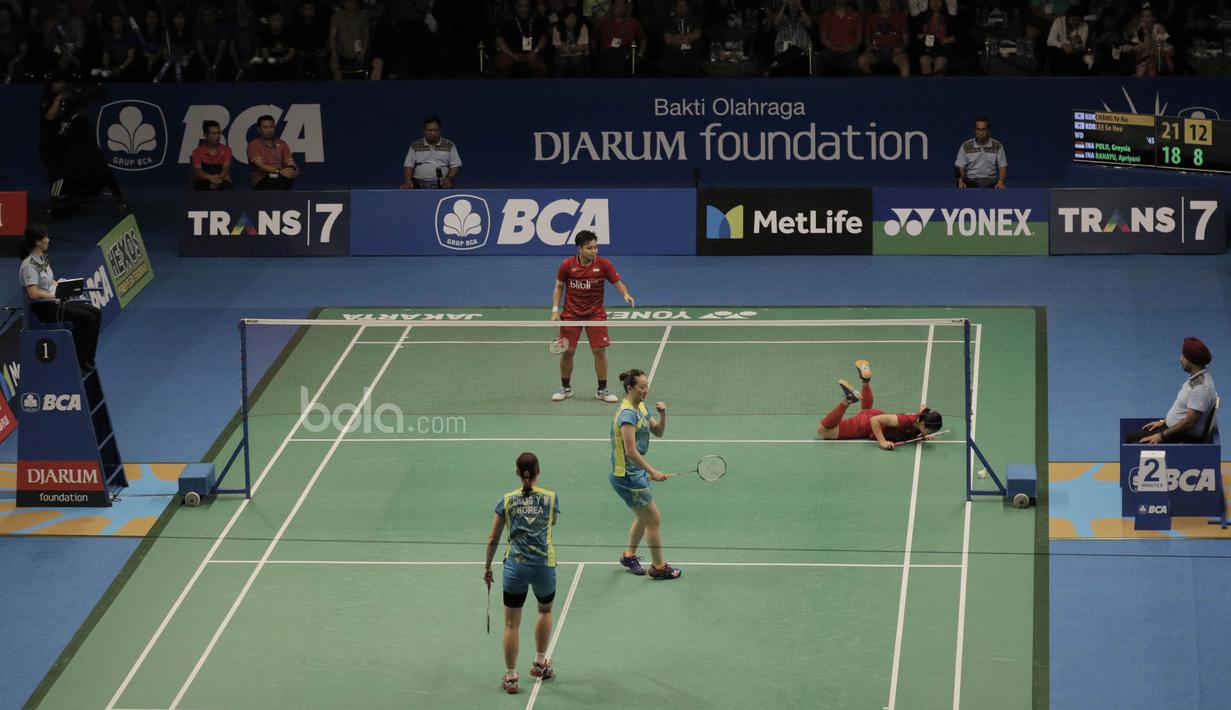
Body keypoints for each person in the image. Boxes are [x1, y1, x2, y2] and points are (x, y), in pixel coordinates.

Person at [483, 452, 560, 694]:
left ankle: (511, 677)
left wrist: (487, 567)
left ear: (518, 472)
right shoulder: (550, 498)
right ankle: (539, 662)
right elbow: (552, 523)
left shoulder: (506, 500)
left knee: (510, 623)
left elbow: (493, 537)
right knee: (545, 609)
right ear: (539, 471)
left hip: (515, 567)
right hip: (543, 566)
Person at [610, 368, 680, 580]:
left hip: (635, 472)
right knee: (653, 519)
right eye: (642, 387)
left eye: (647, 386)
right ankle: (659, 568)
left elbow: (658, 431)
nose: (646, 390)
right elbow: (630, 451)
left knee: (643, 516)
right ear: (630, 388)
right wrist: (654, 472)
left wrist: (662, 414)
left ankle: (629, 555)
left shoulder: (640, 407)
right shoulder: (627, 415)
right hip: (627, 476)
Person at [550, 230, 634, 403]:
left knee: (599, 351)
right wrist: (555, 310)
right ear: (579, 248)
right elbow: (559, 287)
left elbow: (617, 283)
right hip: (571, 314)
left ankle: (602, 390)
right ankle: (566, 388)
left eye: (596, 247)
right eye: (590, 248)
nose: (594, 251)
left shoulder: (604, 264)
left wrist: (625, 293)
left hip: (595, 313)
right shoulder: (567, 265)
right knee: (568, 352)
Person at [19, 224, 101, 373]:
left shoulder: (42, 259)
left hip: (54, 301)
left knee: (96, 313)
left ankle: (88, 359)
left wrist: (64, 286)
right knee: (87, 319)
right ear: (38, 242)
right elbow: (33, 293)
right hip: (44, 308)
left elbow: (49, 281)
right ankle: (73, 360)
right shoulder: (28, 266)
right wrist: (55, 295)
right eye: (46, 237)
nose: (48, 240)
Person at [816, 359, 943, 450]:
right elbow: (874, 420)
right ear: (922, 423)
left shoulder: (923, 416)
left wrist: (925, 433)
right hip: (866, 424)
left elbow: (923, 407)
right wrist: (882, 442)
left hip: (875, 415)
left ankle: (865, 381)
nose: (929, 432)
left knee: (865, 409)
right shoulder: (904, 420)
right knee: (823, 431)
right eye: (929, 430)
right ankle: (848, 400)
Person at [1125, 338, 1217, 444]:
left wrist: (1162, 436)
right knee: (1131, 437)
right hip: (1172, 430)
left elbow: (1189, 423)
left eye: (1183, 356)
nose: (1180, 359)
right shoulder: (1197, 377)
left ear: (1192, 360)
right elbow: (1182, 411)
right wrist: (1163, 421)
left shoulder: (1201, 388)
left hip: (1181, 436)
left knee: (1132, 444)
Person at [400, 116, 461, 189]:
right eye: (429, 130)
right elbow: (408, 165)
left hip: (442, 183)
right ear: (424, 131)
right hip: (418, 183)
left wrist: (449, 178)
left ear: (440, 130)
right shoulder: (415, 145)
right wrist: (408, 180)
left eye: (435, 130)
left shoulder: (449, 145)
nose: (432, 133)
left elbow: (455, 165)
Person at [247, 114, 299, 190]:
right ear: (259, 129)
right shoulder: (254, 144)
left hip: (280, 177)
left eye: (271, 127)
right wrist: (279, 171)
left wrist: (293, 170)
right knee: (275, 177)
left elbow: (291, 162)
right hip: (263, 179)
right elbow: (260, 165)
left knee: (287, 175)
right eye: (265, 127)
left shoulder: (282, 144)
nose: (269, 130)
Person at [955, 116, 1007, 189]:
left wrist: (1001, 181)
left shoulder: (997, 146)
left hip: (991, 183)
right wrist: (960, 181)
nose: (981, 132)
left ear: (989, 131)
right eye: (978, 129)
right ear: (974, 131)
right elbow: (960, 167)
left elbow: (1002, 166)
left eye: (984, 129)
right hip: (971, 182)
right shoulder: (965, 146)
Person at [191, 120, 234, 191]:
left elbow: (226, 167)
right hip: (204, 182)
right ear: (205, 134)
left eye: (218, 132)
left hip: (221, 180)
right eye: (213, 133)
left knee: (227, 188)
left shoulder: (227, 150)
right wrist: (210, 178)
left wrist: (218, 179)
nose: (217, 136)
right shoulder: (197, 152)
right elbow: (198, 171)